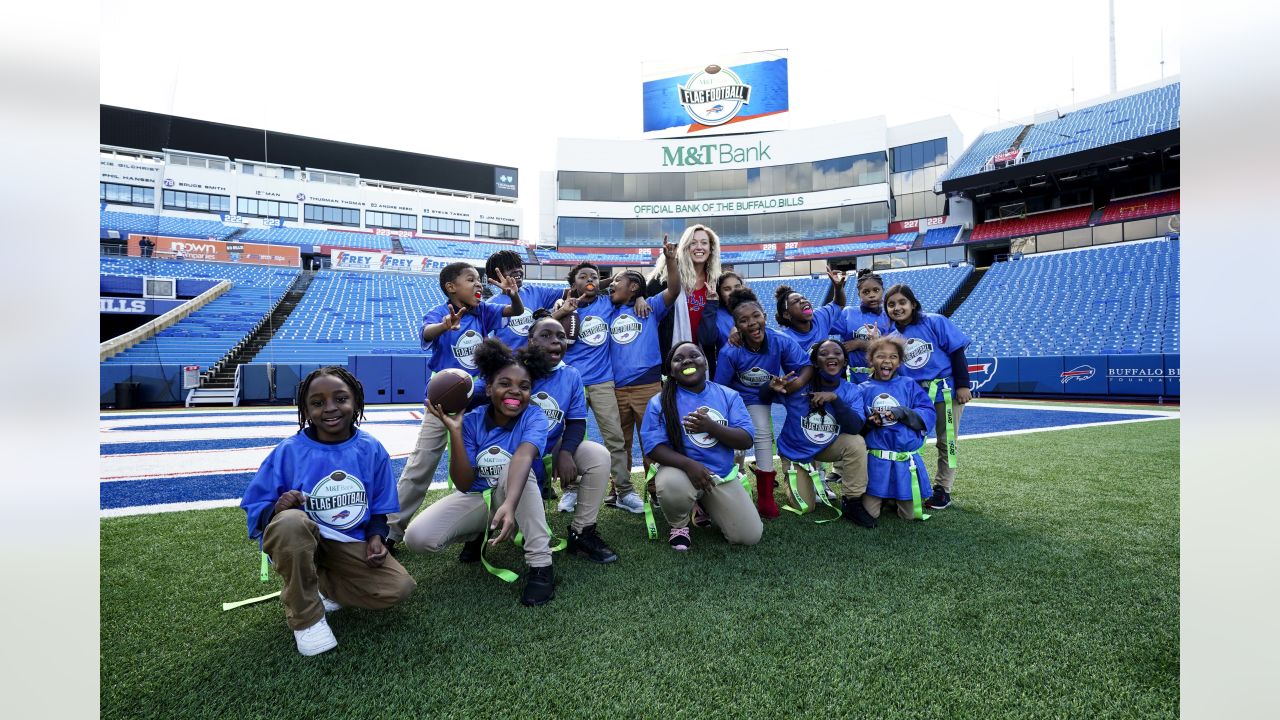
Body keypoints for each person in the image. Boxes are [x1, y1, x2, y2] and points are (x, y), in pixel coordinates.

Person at [240, 367, 415, 656]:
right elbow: (255, 505)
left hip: (345, 544)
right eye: (318, 403)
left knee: (398, 588)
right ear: (306, 410)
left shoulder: (371, 449)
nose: (330, 408)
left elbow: (379, 510)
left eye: (340, 399)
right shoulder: (289, 451)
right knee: (290, 523)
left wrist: (376, 537)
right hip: (300, 538)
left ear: (356, 402)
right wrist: (277, 509)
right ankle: (306, 618)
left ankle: (322, 586)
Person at [402, 339, 562, 606]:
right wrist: (454, 431)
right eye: (504, 384)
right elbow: (464, 483)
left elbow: (523, 456)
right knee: (418, 538)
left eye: (524, 386)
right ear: (488, 389)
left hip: (516, 497)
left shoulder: (534, 417)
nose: (515, 391)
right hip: (479, 497)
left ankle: (541, 565)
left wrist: (509, 505)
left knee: (514, 466)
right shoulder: (472, 421)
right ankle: (479, 533)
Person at [386, 262, 523, 548]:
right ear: (451, 287)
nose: (478, 285)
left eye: (479, 281)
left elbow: (517, 312)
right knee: (422, 462)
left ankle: (479, 527)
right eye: (470, 279)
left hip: (481, 399)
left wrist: (512, 295)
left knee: (482, 460)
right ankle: (391, 531)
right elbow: (426, 333)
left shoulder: (484, 311)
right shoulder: (439, 313)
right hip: (443, 402)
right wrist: (444, 326)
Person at [640, 341, 761, 551]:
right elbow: (653, 447)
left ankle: (703, 503)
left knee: (749, 536)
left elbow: (746, 438)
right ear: (671, 371)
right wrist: (689, 465)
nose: (687, 360)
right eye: (678, 359)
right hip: (682, 473)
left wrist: (711, 427)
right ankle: (679, 525)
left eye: (694, 355)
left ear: (705, 362)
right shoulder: (659, 402)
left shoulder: (728, 395)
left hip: (719, 476)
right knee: (670, 484)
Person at [522, 312, 619, 563]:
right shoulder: (514, 368)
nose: (556, 341)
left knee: (598, 455)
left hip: (550, 448)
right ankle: (479, 531)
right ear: (530, 341)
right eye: (546, 335)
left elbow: (576, 421)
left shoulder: (571, 375)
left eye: (561, 336)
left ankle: (582, 532)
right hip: (515, 454)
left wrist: (565, 452)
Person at [714, 287, 811, 519]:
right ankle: (733, 485)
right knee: (744, 439)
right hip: (739, 399)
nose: (753, 323)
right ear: (736, 327)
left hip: (770, 393)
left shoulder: (780, 340)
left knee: (766, 431)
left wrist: (792, 386)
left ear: (765, 316)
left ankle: (766, 494)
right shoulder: (731, 351)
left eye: (756, 316)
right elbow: (720, 389)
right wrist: (730, 418)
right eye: (744, 321)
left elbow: (807, 366)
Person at [883, 283, 971, 510]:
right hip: (915, 398)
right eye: (891, 304)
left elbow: (956, 351)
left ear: (913, 304)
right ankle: (905, 487)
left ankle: (943, 489)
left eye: (902, 302)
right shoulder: (892, 336)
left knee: (946, 441)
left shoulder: (935, 321)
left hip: (945, 392)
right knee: (908, 441)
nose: (897, 308)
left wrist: (963, 385)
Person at [770, 339, 876, 527]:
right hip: (796, 451)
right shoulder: (799, 385)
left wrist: (835, 399)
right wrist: (769, 388)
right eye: (824, 354)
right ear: (815, 362)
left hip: (826, 447)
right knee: (806, 506)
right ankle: (798, 476)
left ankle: (852, 502)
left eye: (837, 353)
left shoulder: (851, 390)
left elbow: (854, 427)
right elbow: (763, 396)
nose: (831, 357)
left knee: (856, 442)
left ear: (844, 361)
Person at [607, 238, 681, 507]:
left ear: (635, 286)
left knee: (652, 440)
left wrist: (670, 259)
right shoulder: (607, 311)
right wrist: (630, 293)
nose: (612, 284)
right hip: (614, 388)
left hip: (647, 387)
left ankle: (655, 489)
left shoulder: (650, 308)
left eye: (618, 280)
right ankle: (620, 490)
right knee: (619, 443)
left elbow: (673, 289)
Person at [553, 262, 630, 515]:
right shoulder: (561, 305)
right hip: (572, 382)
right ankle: (571, 490)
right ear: (572, 283)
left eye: (594, 277)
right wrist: (562, 311)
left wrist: (637, 297)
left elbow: (633, 288)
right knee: (567, 439)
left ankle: (623, 491)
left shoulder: (608, 303)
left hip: (602, 379)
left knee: (615, 437)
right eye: (583, 276)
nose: (589, 280)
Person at [859, 335, 937, 523]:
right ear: (871, 360)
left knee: (909, 516)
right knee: (870, 513)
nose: (887, 361)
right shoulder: (862, 388)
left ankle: (894, 497)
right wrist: (869, 423)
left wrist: (902, 412)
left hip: (903, 460)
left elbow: (927, 410)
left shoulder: (908, 384)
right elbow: (855, 423)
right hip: (877, 460)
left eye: (893, 357)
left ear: (900, 362)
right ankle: (884, 496)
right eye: (880, 356)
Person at [644, 224, 725, 376]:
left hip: (704, 355)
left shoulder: (716, 281)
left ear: (711, 248)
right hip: (670, 355)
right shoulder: (664, 278)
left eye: (704, 243)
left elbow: (732, 308)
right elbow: (645, 298)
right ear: (685, 247)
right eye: (693, 243)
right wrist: (638, 299)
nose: (699, 247)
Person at [484, 250, 563, 351]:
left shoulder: (536, 292)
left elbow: (571, 293)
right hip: (509, 363)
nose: (517, 270)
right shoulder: (490, 304)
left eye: (518, 266)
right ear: (497, 275)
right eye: (510, 268)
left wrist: (560, 301)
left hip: (537, 362)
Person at [772, 268, 847, 353]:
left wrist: (838, 288)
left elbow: (839, 304)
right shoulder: (785, 339)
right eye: (796, 301)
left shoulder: (820, 316)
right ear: (786, 314)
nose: (803, 301)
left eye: (804, 298)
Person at [839, 269, 893, 384]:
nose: (872, 295)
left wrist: (859, 344)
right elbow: (824, 326)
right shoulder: (848, 313)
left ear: (883, 291)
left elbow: (893, 348)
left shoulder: (889, 316)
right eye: (866, 292)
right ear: (859, 294)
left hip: (882, 377)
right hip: (854, 379)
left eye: (876, 290)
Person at [712, 271, 746, 351]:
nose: (734, 292)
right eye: (727, 289)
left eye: (737, 287)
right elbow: (707, 341)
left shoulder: (754, 308)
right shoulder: (716, 316)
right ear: (720, 293)